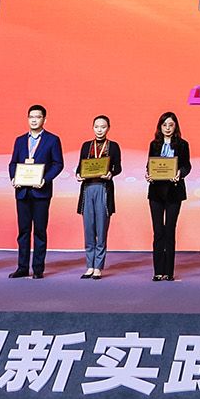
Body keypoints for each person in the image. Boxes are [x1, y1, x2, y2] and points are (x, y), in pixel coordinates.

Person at [9, 104, 64, 279]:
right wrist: (14, 178)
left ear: (44, 120)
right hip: (22, 192)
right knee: (23, 232)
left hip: (41, 192)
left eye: (38, 117)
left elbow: (58, 164)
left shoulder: (52, 140)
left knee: (40, 231)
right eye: (31, 117)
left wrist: (45, 179)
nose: (34, 120)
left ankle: (38, 268)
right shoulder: (19, 140)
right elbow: (13, 163)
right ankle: (22, 267)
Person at [76, 114, 121, 279]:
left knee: (101, 229)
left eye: (103, 127)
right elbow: (80, 166)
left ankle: (98, 266)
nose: (99, 130)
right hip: (88, 188)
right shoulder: (86, 145)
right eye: (96, 127)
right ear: (92, 128)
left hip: (103, 189)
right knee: (89, 228)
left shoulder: (113, 146)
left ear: (108, 128)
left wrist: (111, 174)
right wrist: (78, 174)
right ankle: (89, 265)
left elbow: (118, 167)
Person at [147, 112, 191, 281]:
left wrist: (180, 173)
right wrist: (148, 174)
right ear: (160, 127)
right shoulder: (154, 144)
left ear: (175, 126)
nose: (167, 128)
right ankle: (158, 271)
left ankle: (169, 272)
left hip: (174, 192)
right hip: (156, 193)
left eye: (170, 125)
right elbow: (150, 164)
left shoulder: (183, 145)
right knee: (158, 231)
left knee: (170, 230)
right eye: (164, 125)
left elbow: (187, 165)